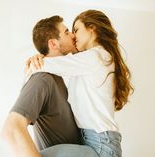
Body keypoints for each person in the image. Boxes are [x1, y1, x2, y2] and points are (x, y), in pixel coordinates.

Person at [26, 10, 134, 157]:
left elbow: (55, 65)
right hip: (96, 141)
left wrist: (37, 61)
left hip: (102, 146)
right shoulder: (86, 63)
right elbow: (61, 66)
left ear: (92, 28)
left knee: (39, 155)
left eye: (76, 30)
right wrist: (42, 58)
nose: (73, 35)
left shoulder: (97, 56)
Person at [1, 15, 98, 157]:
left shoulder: (58, 75)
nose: (72, 35)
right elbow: (11, 130)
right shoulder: (42, 79)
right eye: (66, 32)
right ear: (53, 44)